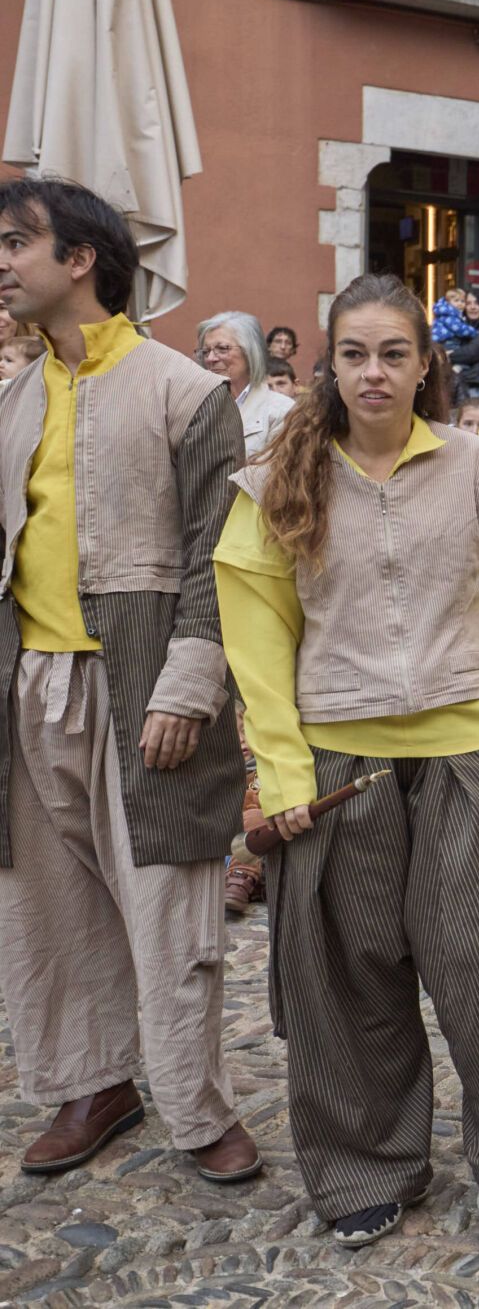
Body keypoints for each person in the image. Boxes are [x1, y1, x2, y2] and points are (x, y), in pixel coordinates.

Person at [217, 273, 479, 1255]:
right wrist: (282, 772)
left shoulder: (478, 470)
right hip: (338, 759)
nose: (375, 372)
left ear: (425, 366)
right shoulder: (280, 480)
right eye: (356, 354)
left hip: (469, 749)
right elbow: (257, 635)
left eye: (394, 354)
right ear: (331, 366)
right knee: (350, 977)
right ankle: (368, 1165)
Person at [0, 177, 258, 1184]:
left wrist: (187, 688)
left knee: (169, 910)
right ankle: (93, 1081)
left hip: (145, 681)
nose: (2, 260)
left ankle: (196, 1107)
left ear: (81, 260)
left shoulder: (185, 392)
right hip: (29, 685)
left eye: (18, 242)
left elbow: (219, 554)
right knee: (50, 904)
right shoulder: (14, 400)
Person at [196, 310, 294, 459]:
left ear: (250, 353)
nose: (210, 358)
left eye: (222, 349)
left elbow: (275, 474)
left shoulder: (282, 411)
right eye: (205, 351)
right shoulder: (196, 407)